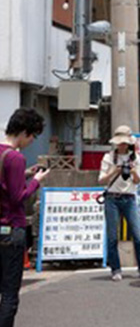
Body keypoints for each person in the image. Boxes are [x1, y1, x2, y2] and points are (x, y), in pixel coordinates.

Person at [0, 108, 49, 326]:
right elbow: (18, 197)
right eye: (32, 136)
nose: (31, 141)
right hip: (12, 230)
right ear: (24, 132)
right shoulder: (16, 157)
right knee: (9, 293)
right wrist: (36, 180)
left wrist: (25, 174)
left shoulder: (3, 154)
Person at [98, 125, 140, 282]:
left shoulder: (135, 158)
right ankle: (115, 269)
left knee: (138, 235)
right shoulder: (108, 157)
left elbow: (137, 181)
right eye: (119, 142)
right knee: (112, 237)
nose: (121, 145)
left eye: (124, 142)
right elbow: (100, 180)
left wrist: (133, 170)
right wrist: (115, 171)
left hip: (129, 198)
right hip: (112, 198)